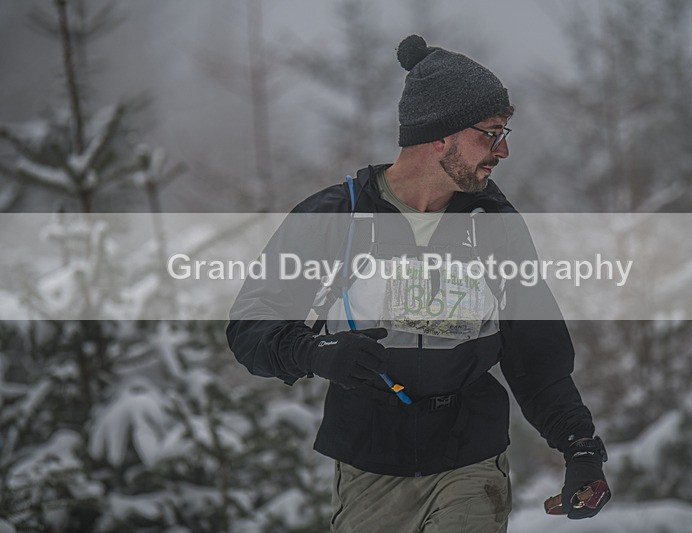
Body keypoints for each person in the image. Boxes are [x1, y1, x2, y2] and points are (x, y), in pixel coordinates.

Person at [227, 34, 610, 532]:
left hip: (471, 458)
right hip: (369, 464)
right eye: (491, 134)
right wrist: (316, 353)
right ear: (440, 136)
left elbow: (534, 351)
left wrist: (579, 446)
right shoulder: (338, 215)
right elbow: (250, 325)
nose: (505, 150)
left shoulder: (494, 223)